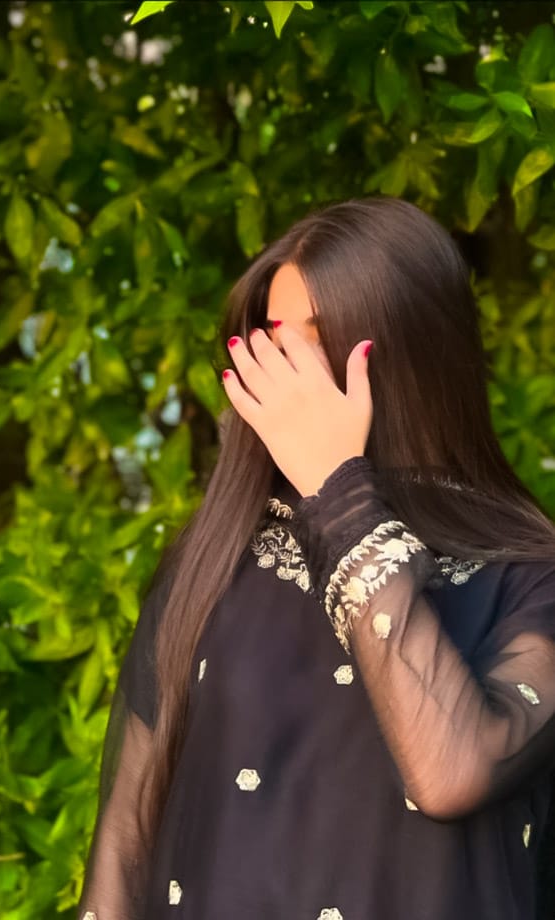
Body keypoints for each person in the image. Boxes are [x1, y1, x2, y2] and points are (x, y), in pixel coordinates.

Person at [76, 197, 555, 919]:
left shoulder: (528, 576)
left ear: (414, 345)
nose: (292, 366)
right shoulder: (216, 563)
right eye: (275, 340)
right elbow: (126, 839)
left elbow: (451, 773)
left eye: (323, 336)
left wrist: (340, 491)